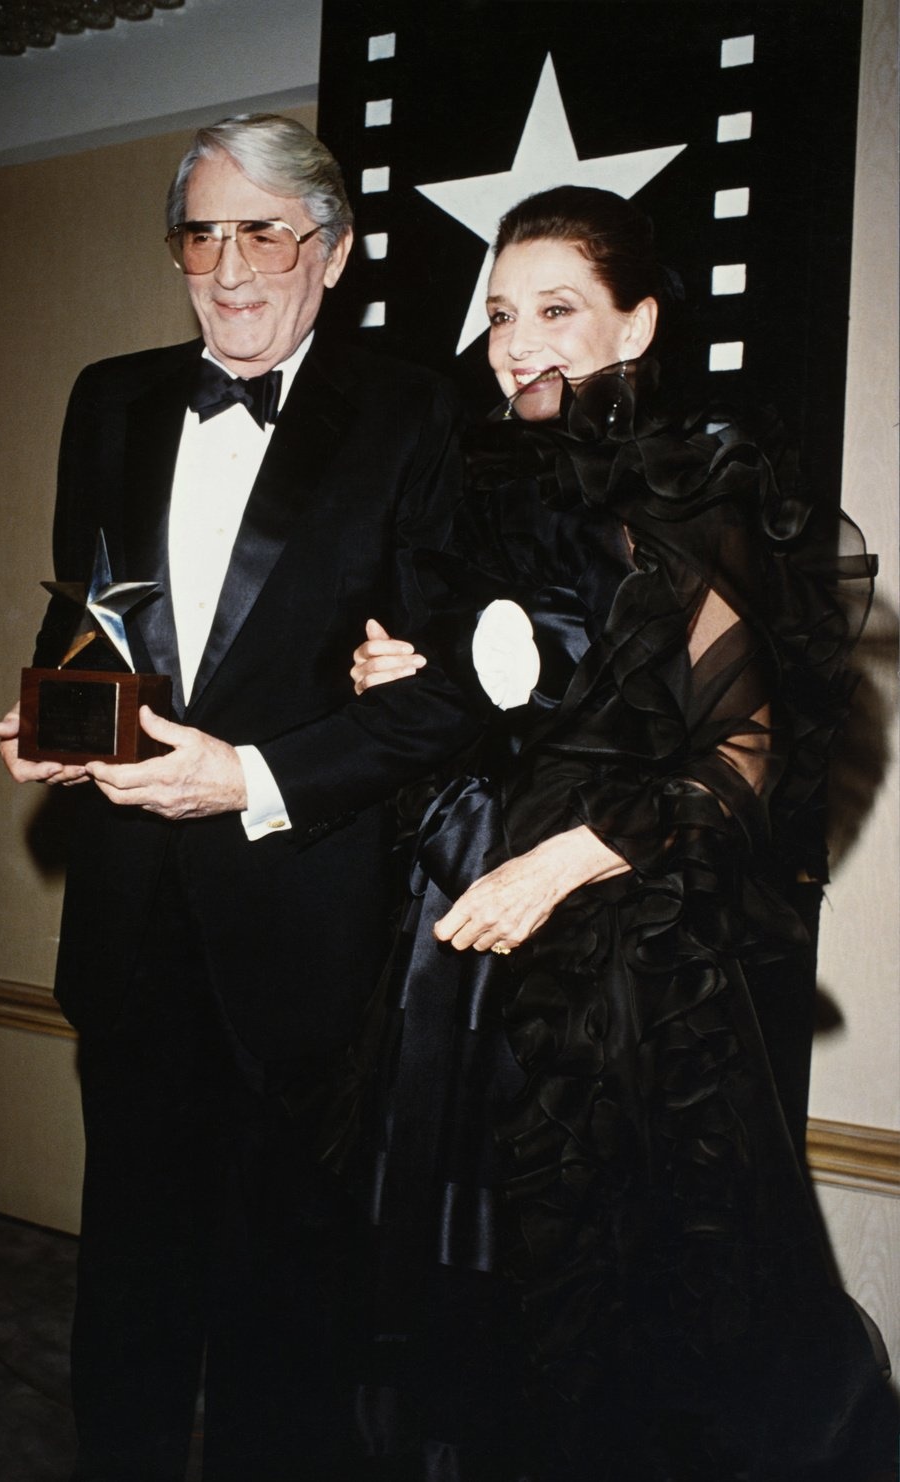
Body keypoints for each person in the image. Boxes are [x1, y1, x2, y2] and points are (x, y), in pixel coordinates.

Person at [343, 186, 896, 1481]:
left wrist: (559, 863)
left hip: (616, 975)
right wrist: (404, 676)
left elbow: (740, 763)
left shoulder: (692, 490)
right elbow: (516, 696)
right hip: (462, 960)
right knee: (459, 1321)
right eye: (497, 315)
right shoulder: (486, 479)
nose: (516, 342)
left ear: (637, 323)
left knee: (612, 1334)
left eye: (555, 311)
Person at [0, 113, 480, 1482]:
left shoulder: (415, 407)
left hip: (307, 942)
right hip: (128, 921)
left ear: (330, 250)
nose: (229, 266)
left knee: (289, 1327)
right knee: (127, 1303)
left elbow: (451, 693)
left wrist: (253, 776)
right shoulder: (112, 396)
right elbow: (83, 609)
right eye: (201, 233)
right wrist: (54, 715)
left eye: (264, 231)